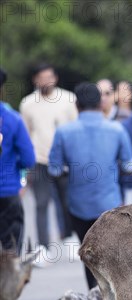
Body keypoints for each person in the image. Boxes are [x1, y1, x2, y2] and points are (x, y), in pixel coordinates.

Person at [48, 83, 132, 289]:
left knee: (89, 256)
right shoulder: (116, 130)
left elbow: (53, 170)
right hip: (110, 205)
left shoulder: (63, 132)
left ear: (77, 105)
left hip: (78, 206)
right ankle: (115, 298)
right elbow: (131, 166)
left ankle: (94, 295)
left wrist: (69, 170)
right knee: (111, 255)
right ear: (100, 103)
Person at [19, 63, 77, 250]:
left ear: (56, 78)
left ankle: (69, 238)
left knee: (68, 202)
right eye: (42, 77)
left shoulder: (68, 100)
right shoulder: (27, 104)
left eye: (49, 77)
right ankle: (43, 247)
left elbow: (75, 130)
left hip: (64, 159)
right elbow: (26, 135)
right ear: (35, 80)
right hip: (39, 160)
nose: (46, 81)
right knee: (41, 204)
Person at [0, 67, 36, 253]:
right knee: (11, 252)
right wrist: (16, 169)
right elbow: (29, 159)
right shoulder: (13, 119)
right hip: (7, 192)